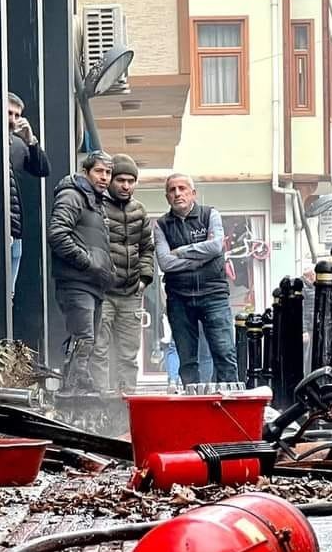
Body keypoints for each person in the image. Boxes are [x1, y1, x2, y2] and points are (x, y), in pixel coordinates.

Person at [154, 174, 239, 385]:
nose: (177, 193)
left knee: (224, 354)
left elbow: (216, 246)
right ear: (167, 197)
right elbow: (165, 263)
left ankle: (231, 404)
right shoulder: (161, 225)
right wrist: (202, 259)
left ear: (193, 193)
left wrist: (182, 251)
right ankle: (193, 407)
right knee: (187, 361)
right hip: (179, 299)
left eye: (182, 188)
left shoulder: (210, 214)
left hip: (214, 295)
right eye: (172, 190)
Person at [48, 151, 113, 407]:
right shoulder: (72, 195)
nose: (105, 177)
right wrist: (87, 262)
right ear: (86, 172)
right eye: (99, 171)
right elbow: (57, 234)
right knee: (83, 339)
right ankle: (72, 397)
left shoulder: (94, 201)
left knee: (86, 340)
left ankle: (78, 393)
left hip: (91, 284)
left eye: (108, 172)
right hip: (76, 282)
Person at [93, 154, 155, 399]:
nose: (126, 185)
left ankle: (128, 400)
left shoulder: (139, 210)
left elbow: (147, 248)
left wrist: (144, 278)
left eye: (131, 180)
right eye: (120, 179)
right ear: (110, 179)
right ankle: (99, 399)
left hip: (131, 293)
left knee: (129, 353)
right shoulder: (96, 207)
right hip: (102, 292)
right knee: (99, 349)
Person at [8, 92, 50, 298]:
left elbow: (42, 169)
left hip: (15, 227)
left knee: (10, 292)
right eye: (9, 113)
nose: (13, 120)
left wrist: (31, 140)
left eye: (17, 115)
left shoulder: (18, 144)